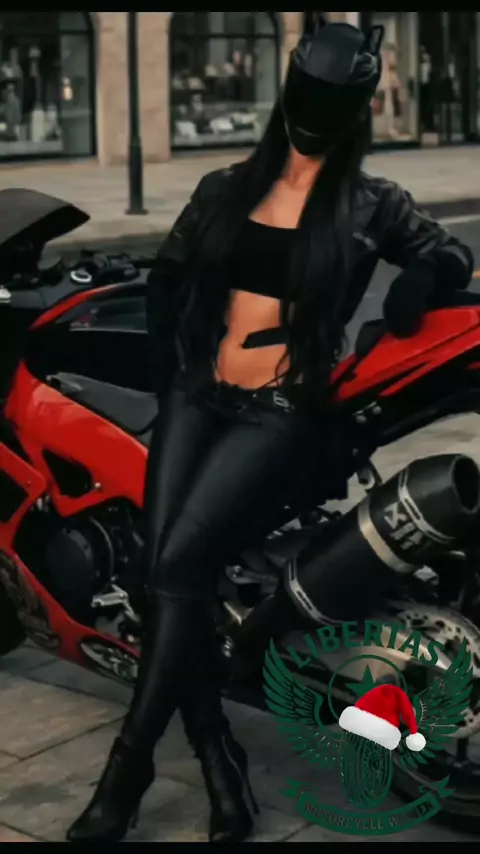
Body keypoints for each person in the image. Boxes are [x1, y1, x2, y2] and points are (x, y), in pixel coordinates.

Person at [67, 17, 473, 844]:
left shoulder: (371, 202)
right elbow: (169, 276)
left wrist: (423, 278)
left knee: (180, 565)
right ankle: (221, 765)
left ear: (350, 114)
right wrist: (172, 361)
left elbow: (449, 253)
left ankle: (127, 773)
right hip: (197, 395)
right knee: (164, 576)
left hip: (281, 408)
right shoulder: (226, 186)